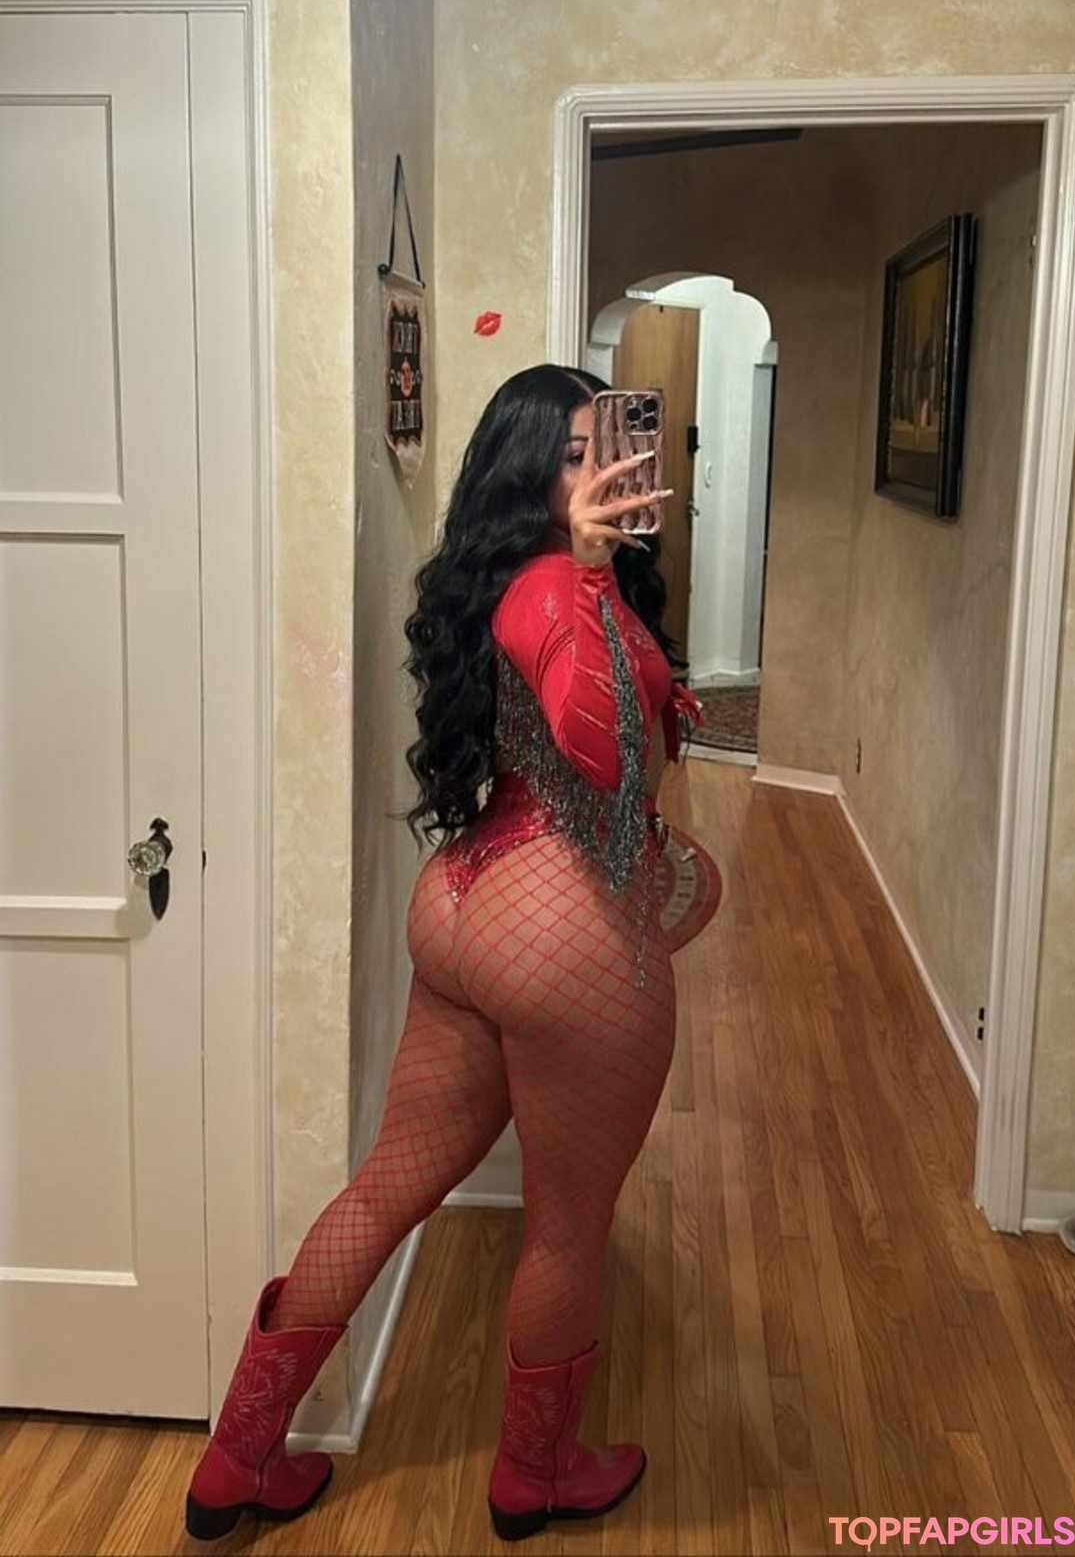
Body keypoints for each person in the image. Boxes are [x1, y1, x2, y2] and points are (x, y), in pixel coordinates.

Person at [184, 363, 721, 1544]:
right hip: (565, 934)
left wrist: (634, 636)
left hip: (471, 905)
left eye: (607, 445)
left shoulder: (529, 579)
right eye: (572, 453)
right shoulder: (557, 583)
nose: (599, 469)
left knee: (388, 1181)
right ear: (528, 472)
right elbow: (594, 747)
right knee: (567, 1224)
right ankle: (537, 1474)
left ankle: (237, 1457)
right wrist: (592, 565)